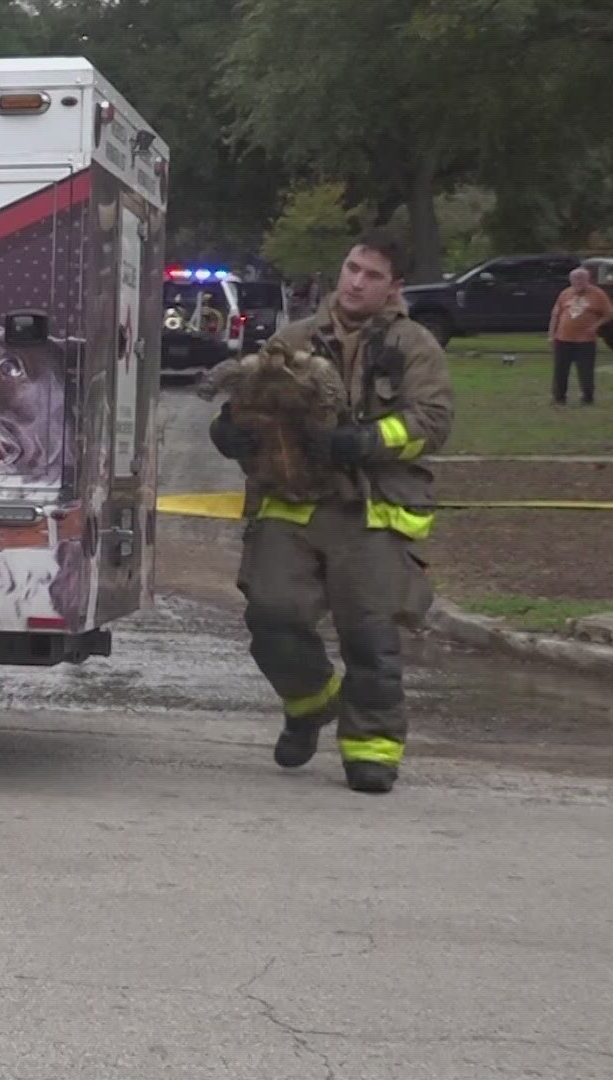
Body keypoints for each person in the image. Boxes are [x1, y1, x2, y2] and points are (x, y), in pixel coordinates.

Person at [207, 231, 453, 795]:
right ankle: (312, 701)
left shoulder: (414, 345)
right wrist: (230, 431)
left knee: (368, 636)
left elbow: (433, 422)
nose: (356, 282)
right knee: (271, 618)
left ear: (394, 287)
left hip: (371, 509)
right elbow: (248, 402)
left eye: (371, 275)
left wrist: (364, 442)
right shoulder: (294, 338)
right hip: (290, 504)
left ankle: (372, 750)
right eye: (351, 268)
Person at [548, 266, 609, 407]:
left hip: (585, 341)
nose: (578, 281)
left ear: (588, 279)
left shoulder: (597, 294)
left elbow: (608, 314)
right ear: (571, 280)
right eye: (575, 279)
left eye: (582, 278)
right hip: (563, 339)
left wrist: (595, 326)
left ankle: (587, 398)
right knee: (560, 370)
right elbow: (555, 314)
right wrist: (551, 334)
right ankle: (559, 398)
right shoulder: (565, 293)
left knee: (586, 371)